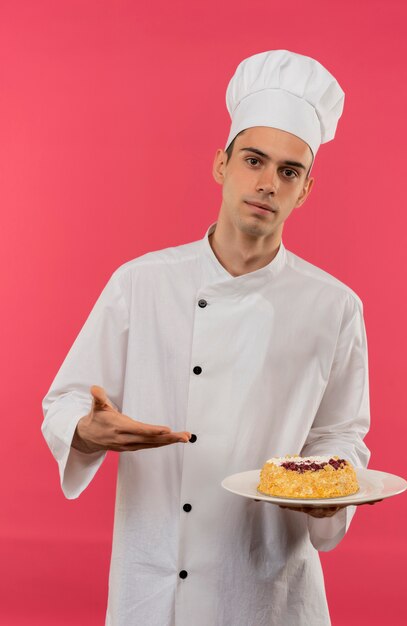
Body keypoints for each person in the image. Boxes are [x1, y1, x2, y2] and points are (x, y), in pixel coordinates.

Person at [42, 50, 373, 625]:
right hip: (154, 580)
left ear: (306, 190)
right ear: (221, 164)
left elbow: (339, 434)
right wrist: (87, 432)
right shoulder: (141, 282)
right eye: (253, 160)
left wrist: (328, 493)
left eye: (289, 171)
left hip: (267, 584)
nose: (268, 183)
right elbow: (67, 400)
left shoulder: (334, 306)